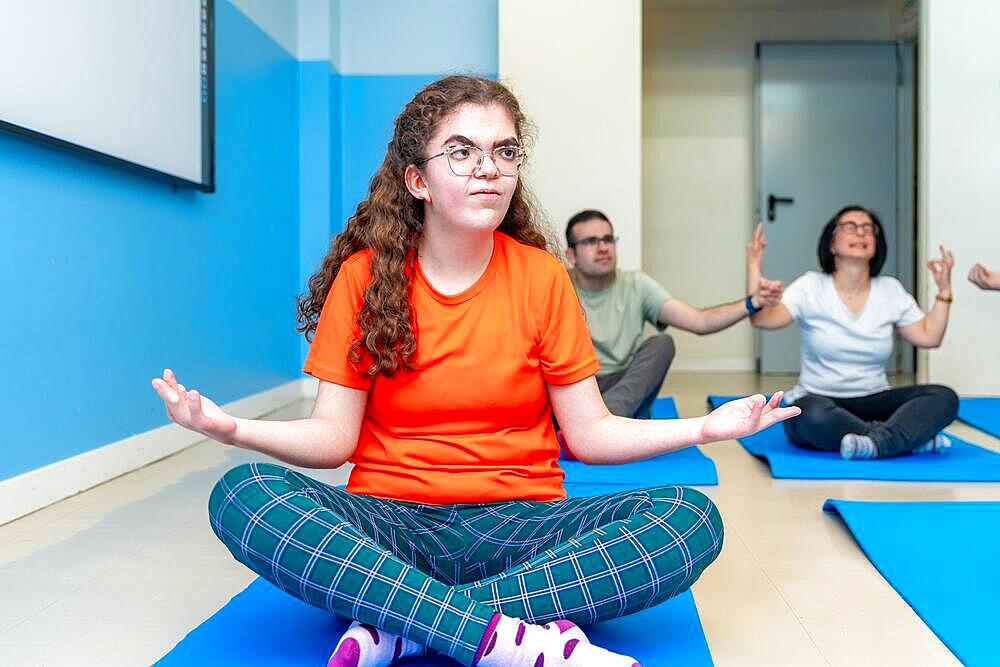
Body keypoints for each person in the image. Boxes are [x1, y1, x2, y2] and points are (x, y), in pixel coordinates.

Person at [151, 75, 798, 667]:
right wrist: (230, 427)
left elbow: (591, 434)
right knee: (243, 494)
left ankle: (404, 623)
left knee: (689, 520)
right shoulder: (363, 278)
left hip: (523, 524)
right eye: (461, 152)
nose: (489, 168)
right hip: (391, 522)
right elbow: (333, 440)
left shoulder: (543, 276)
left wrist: (704, 429)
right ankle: (502, 634)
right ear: (417, 180)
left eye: (505, 151)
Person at [746, 205, 958, 460]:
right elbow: (762, 319)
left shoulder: (890, 290)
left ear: (876, 244)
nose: (860, 233)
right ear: (832, 243)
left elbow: (929, 337)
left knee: (943, 397)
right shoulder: (811, 286)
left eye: (868, 229)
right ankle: (902, 439)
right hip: (822, 401)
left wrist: (944, 288)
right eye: (850, 227)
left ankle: (875, 443)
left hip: (876, 401)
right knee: (806, 414)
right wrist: (754, 265)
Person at [565, 211, 784, 419]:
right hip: (578, 383)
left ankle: (607, 419)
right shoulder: (558, 285)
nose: (603, 247)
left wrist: (752, 302)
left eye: (608, 239)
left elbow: (700, 322)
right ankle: (603, 422)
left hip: (626, 385)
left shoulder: (636, 284)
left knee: (662, 344)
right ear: (571, 255)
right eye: (591, 241)